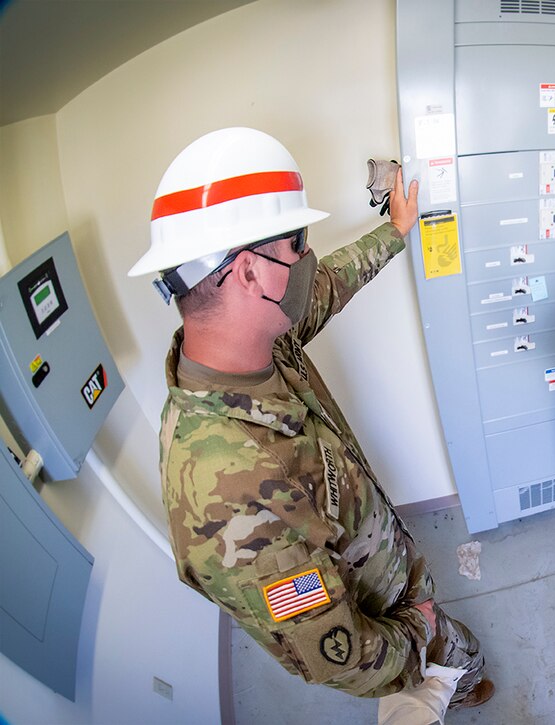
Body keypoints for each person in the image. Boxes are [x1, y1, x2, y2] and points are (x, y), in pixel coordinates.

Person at [128, 127, 493, 707]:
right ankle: (461, 674)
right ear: (248, 272)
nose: (307, 257)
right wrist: (418, 629)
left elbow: (330, 281)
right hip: (391, 619)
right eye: (297, 242)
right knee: (451, 654)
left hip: (391, 569)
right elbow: (341, 654)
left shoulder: (259, 342)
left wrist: (396, 231)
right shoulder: (232, 504)